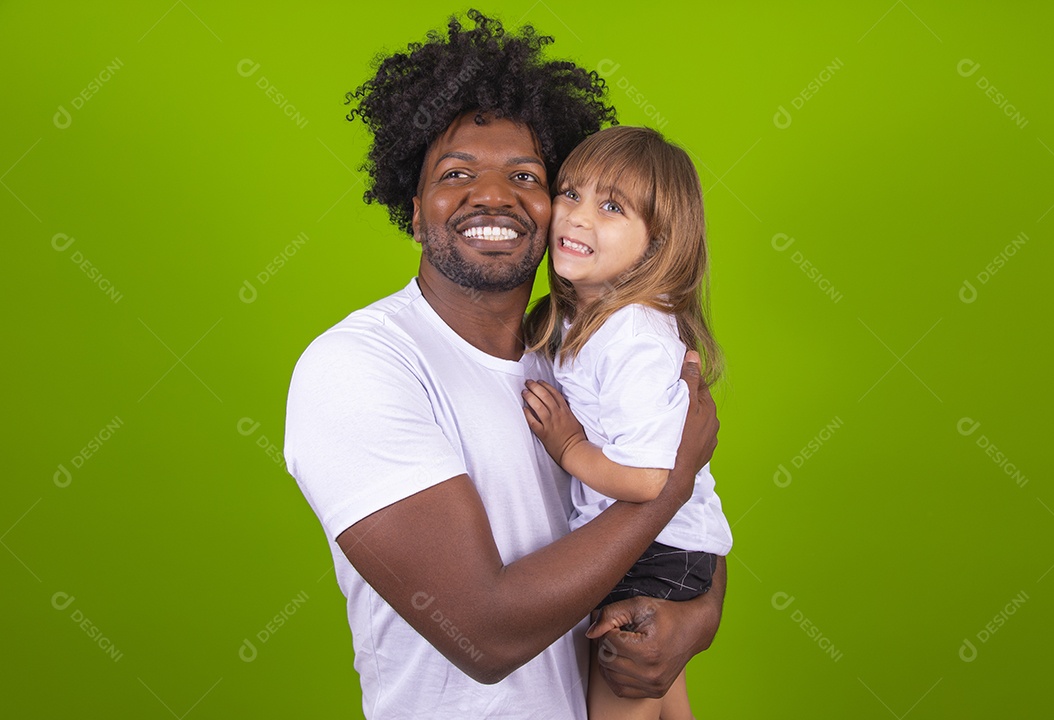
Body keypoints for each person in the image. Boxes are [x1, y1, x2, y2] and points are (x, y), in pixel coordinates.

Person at [283, 10, 729, 719]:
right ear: (415, 211)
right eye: (457, 173)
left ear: (552, 210)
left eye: (525, 175)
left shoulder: (578, 349)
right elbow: (484, 635)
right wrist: (669, 482)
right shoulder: (359, 367)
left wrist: (694, 620)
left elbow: (688, 528)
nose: (493, 194)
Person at [522, 126, 732, 720]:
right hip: (666, 546)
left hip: (655, 551)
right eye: (570, 193)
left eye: (611, 207)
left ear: (657, 243)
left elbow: (648, 480)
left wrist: (568, 445)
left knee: (621, 704)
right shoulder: (586, 315)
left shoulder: (633, 336)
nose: (577, 216)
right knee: (668, 705)